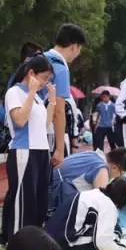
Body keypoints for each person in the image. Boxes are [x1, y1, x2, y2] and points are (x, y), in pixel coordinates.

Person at [0, 55, 56, 246]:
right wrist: (31, 92)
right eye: (43, 78)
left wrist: (52, 102)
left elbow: (44, 124)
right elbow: (20, 120)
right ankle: (16, 246)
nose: (45, 83)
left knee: (40, 203)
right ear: (31, 73)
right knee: (24, 204)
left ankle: (33, 245)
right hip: (24, 151)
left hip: (41, 151)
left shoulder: (37, 98)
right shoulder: (15, 93)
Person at [45, 176, 126, 250]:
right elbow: (103, 242)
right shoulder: (107, 206)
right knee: (115, 231)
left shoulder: (91, 194)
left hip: (48, 245)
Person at [44, 24, 87, 167]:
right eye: (79, 49)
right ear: (74, 47)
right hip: (44, 134)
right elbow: (58, 111)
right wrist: (60, 150)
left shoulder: (39, 59)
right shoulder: (60, 68)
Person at [50, 147, 126, 212]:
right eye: (121, 173)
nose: (119, 177)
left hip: (51, 181)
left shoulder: (92, 154)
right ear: (114, 168)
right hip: (56, 195)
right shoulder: (101, 170)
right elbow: (101, 204)